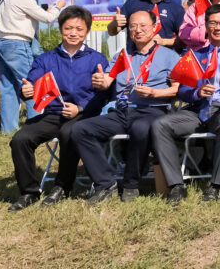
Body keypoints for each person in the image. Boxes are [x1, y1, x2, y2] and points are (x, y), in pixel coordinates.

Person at [72, 10, 180, 204]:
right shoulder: (123, 55)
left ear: (155, 28)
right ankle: (106, 182)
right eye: (132, 27)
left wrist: (155, 93)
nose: (137, 30)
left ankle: (131, 183)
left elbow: (177, 90)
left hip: (153, 109)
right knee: (80, 129)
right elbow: (107, 81)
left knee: (141, 128)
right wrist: (100, 80)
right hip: (123, 110)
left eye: (142, 26)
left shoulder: (169, 56)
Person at [7, 6, 109, 211]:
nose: (73, 33)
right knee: (20, 139)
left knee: (69, 131)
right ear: (60, 29)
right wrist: (25, 90)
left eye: (79, 29)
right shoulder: (45, 59)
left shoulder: (97, 59)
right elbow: (31, 82)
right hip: (53, 114)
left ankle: (63, 186)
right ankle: (29, 192)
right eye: (68, 28)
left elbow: (104, 95)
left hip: (84, 115)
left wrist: (80, 109)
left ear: (87, 31)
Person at [152, 4, 220, 205]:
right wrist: (197, 92)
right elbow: (182, 90)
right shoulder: (194, 55)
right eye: (213, 23)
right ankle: (176, 186)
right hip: (200, 110)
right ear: (206, 26)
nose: (218, 27)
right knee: (160, 125)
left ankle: (216, 186)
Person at [0, 0, 65, 134]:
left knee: (8, 87)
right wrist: (59, 6)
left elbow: (21, 16)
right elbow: (48, 18)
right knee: (31, 84)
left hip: (0, 43)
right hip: (16, 44)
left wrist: (40, 11)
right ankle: (37, 127)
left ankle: (8, 129)